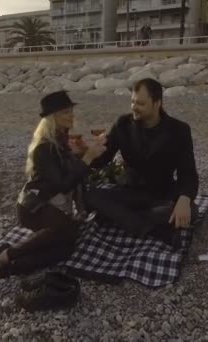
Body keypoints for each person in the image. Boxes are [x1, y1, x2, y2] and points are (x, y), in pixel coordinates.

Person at [0, 91, 106, 286]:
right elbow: (62, 185)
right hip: (35, 208)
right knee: (69, 231)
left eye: (71, 110)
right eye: (65, 112)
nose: (72, 115)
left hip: (53, 206)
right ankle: (9, 253)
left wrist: (80, 155)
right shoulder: (43, 148)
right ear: (52, 118)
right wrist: (87, 158)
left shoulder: (62, 141)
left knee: (65, 250)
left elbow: (69, 172)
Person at [85, 78, 199, 244]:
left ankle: (123, 218)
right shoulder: (123, 124)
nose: (134, 107)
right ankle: (152, 229)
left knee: (192, 210)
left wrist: (184, 198)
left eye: (140, 103)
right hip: (129, 191)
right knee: (89, 196)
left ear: (157, 103)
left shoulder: (179, 130)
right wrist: (86, 152)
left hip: (162, 194)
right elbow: (102, 160)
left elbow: (188, 173)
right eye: (132, 102)